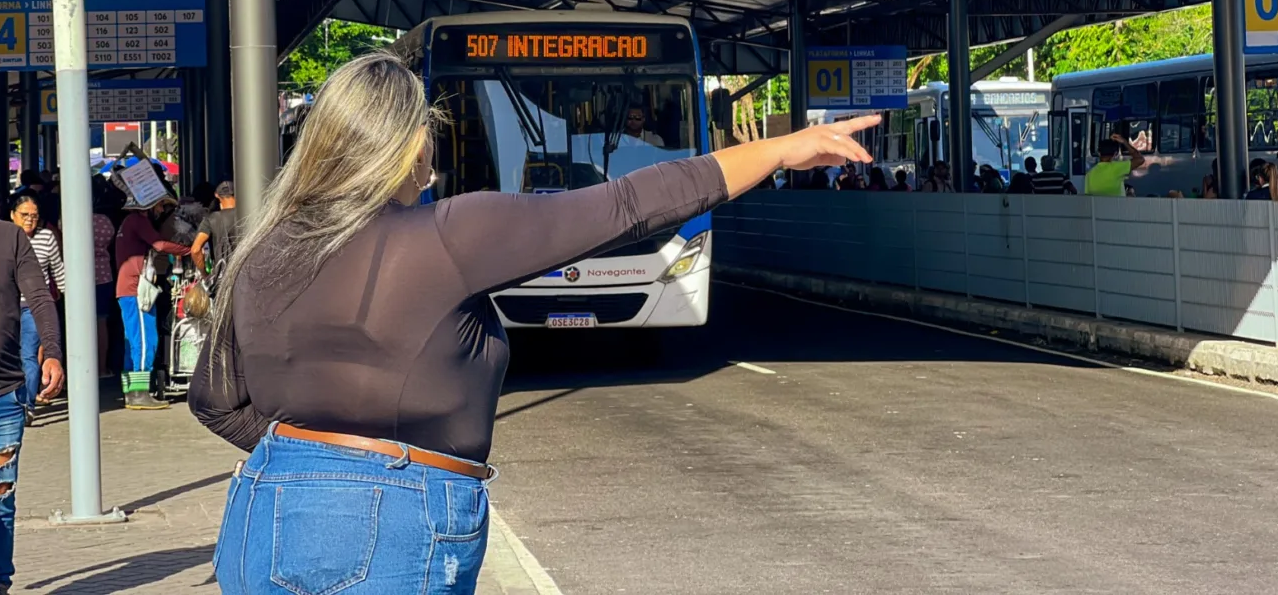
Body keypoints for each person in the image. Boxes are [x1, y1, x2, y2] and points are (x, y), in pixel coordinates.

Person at [189, 52, 881, 595]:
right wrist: (779, 149)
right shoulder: (450, 234)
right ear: (409, 149)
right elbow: (629, 205)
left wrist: (319, 461)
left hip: (264, 510)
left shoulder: (262, 246)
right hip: (393, 516)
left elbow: (215, 399)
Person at [0, 179, 64, 595]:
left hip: (1, 401)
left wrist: (53, 351)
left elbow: (41, 299)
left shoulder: (8, 237)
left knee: (0, 500)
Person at [115, 191, 191, 410]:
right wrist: (188, 250)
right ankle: (140, 393)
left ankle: (131, 391)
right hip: (136, 288)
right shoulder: (138, 221)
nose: (160, 210)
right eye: (158, 205)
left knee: (132, 341)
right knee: (145, 340)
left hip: (128, 288)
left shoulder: (128, 222)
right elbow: (160, 245)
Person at [9, 194, 64, 414]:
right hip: (6, 307)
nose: (30, 220)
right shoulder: (4, 237)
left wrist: (69, 297)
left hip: (34, 306)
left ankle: (27, 405)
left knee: (28, 354)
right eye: (25, 215)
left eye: (34, 216)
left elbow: (57, 270)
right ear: (12, 215)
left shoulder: (46, 237)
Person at [92, 178, 118, 378]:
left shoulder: (68, 219)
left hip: (76, 279)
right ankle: (101, 367)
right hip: (104, 275)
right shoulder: (105, 222)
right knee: (102, 323)